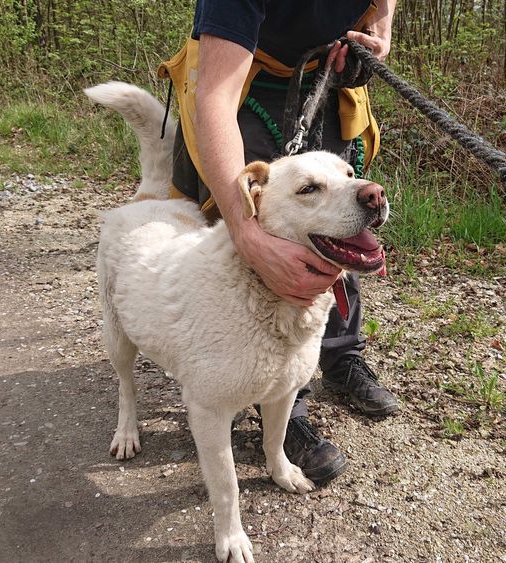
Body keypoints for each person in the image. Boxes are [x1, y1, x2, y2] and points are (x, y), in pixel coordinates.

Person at [160, 0, 399, 483]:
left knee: (338, 216)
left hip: (328, 73)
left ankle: (342, 355)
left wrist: (379, 30)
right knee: (271, 230)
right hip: (241, 80)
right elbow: (215, 99)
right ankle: (284, 403)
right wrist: (244, 231)